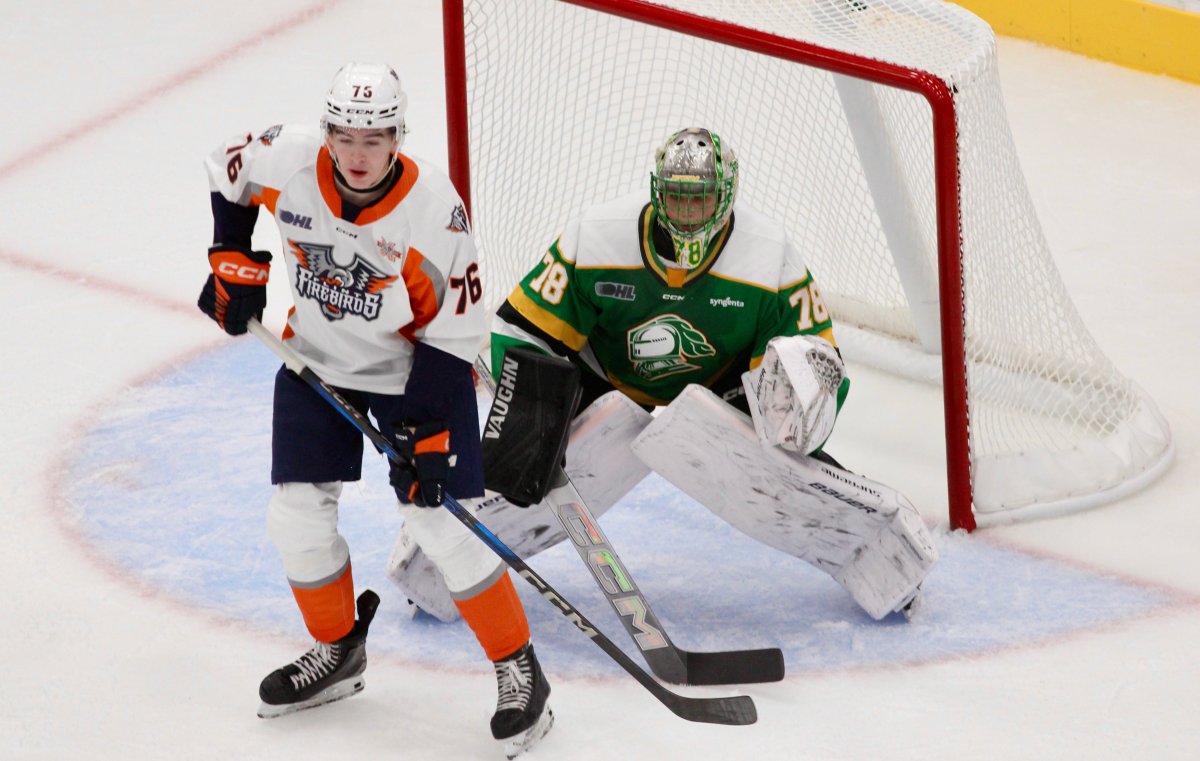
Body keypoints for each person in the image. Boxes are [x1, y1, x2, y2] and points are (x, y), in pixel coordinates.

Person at [196, 63, 552, 757]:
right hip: (317, 360)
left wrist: (426, 433)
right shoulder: (288, 158)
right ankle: (338, 650)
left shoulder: (434, 212)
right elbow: (226, 171)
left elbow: (456, 334)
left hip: (416, 369)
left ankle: (519, 667)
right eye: (346, 137)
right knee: (294, 515)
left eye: (376, 138)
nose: (358, 154)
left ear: (398, 138)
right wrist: (231, 257)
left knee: (440, 525)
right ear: (327, 132)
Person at [474, 127, 936, 621]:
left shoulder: (768, 254)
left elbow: (818, 356)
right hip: (602, 382)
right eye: (677, 196)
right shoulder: (596, 235)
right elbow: (519, 329)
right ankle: (450, 556)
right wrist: (528, 416)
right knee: (521, 441)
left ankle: (878, 555)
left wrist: (796, 418)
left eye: (700, 199)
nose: (687, 211)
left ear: (727, 195)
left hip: (722, 393)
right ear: (658, 190)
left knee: (787, 458)